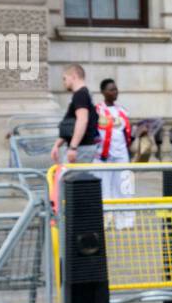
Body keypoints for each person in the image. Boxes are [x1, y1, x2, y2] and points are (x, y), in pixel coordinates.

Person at [95, 78, 134, 229]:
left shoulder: (122, 111)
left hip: (121, 155)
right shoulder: (97, 110)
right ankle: (106, 220)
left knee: (124, 187)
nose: (114, 92)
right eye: (111, 89)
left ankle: (125, 221)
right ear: (103, 92)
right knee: (105, 188)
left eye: (116, 89)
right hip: (103, 157)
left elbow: (127, 134)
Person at [51, 64, 99, 166]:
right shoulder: (84, 94)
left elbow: (82, 120)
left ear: (73, 76)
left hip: (81, 149)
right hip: (82, 148)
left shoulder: (80, 95)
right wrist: (57, 145)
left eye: (65, 78)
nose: (64, 82)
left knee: (68, 180)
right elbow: (72, 126)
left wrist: (73, 147)